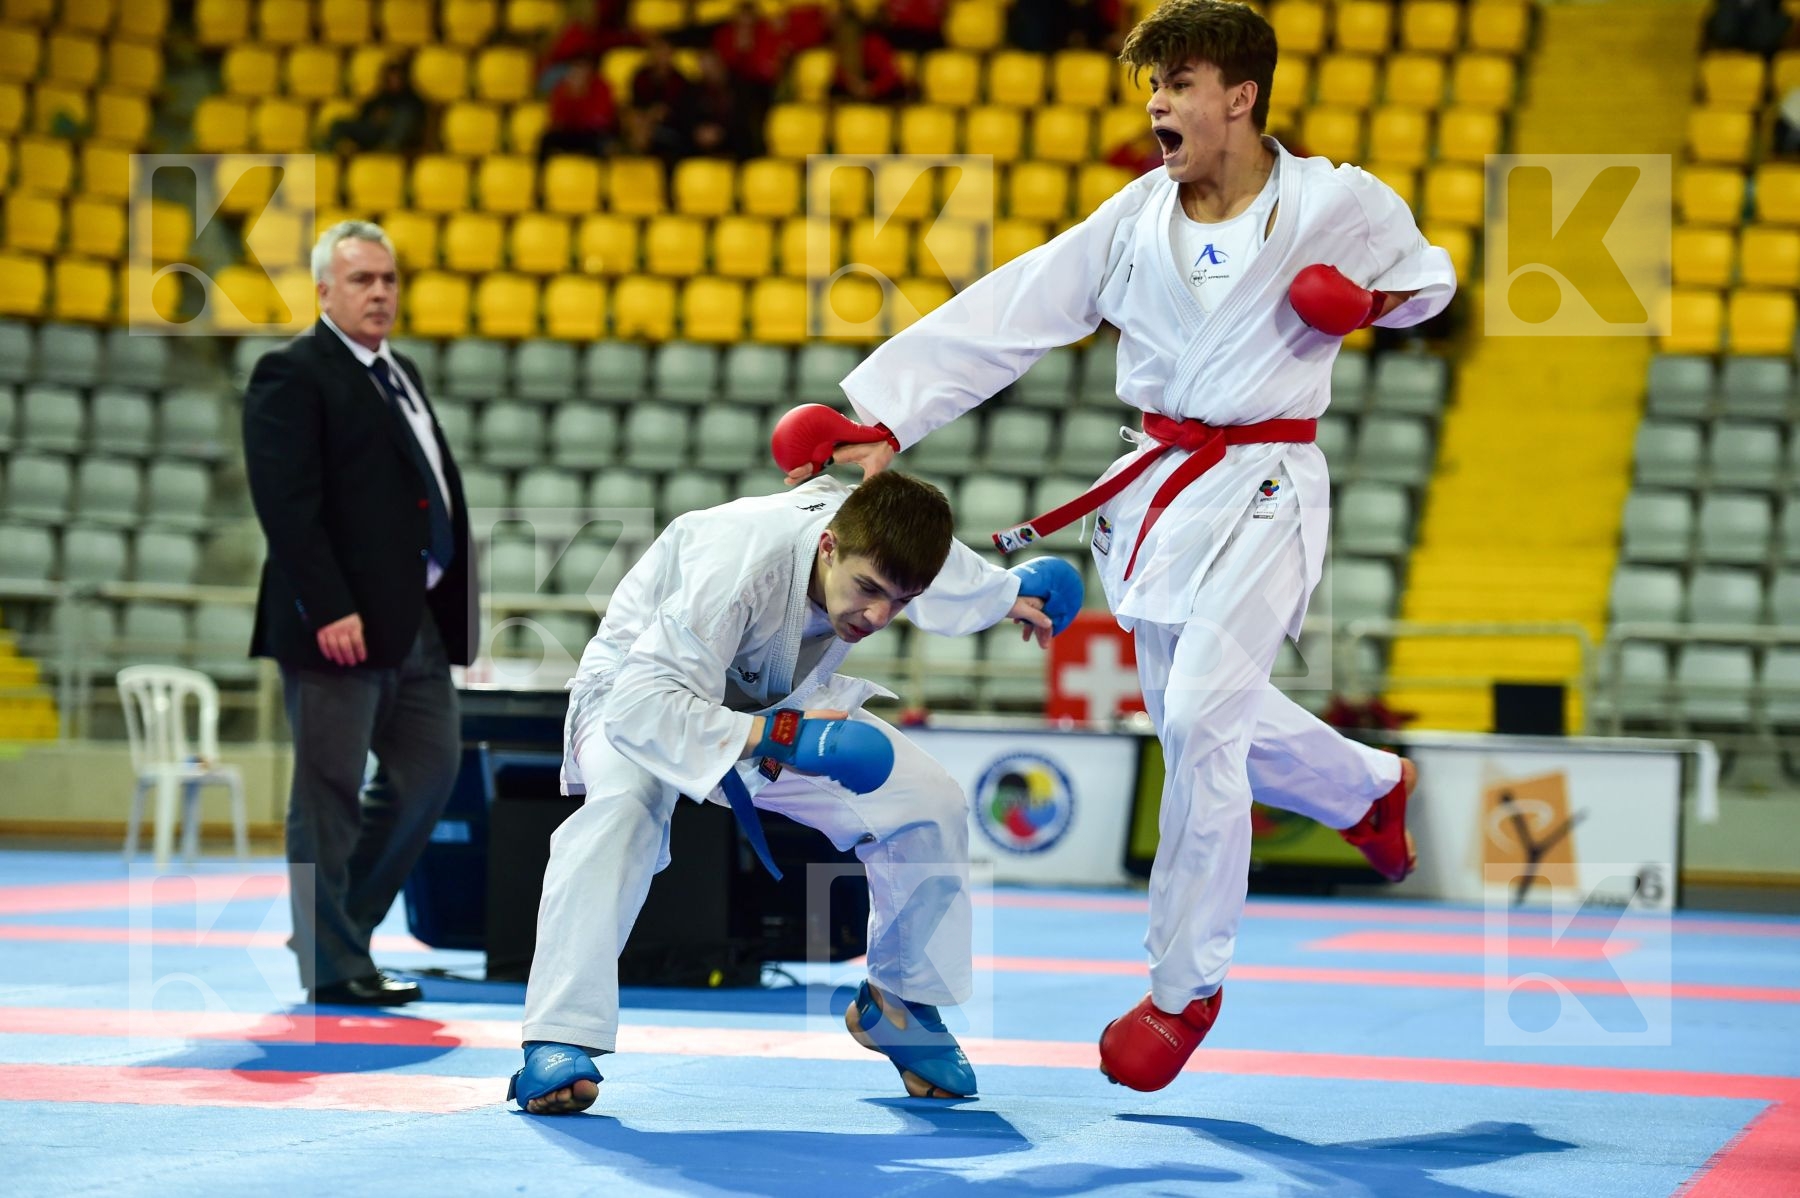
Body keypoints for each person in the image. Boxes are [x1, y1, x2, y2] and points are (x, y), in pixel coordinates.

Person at [783, 0, 1455, 1092]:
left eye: (1178, 84)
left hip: (1266, 486)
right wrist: (882, 415)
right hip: (1152, 495)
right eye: (1151, 84)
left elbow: (1436, 279)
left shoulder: (1334, 201)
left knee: (1197, 721)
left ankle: (1184, 989)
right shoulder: (1136, 218)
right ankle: (1364, 787)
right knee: (1206, 716)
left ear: (1240, 96)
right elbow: (1013, 311)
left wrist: (1371, 303)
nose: (1156, 105)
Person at [509, 470, 1082, 1114]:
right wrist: (784, 737)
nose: (876, 616)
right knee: (623, 811)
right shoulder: (738, 563)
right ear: (829, 545)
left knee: (931, 803)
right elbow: (644, 707)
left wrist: (1011, 593)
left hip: (774, 701)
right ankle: (558, 1035)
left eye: (899, 603)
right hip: (637, 692)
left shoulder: (880, 548)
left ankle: (901, 1002)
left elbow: (941, 571)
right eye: (867, 591)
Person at [243, 221, 477, 1007]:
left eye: (389, 279)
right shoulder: (292, 372)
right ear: (323, 291)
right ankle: (331, 959)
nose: (379, 292)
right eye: (361, 280)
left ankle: (336, 928)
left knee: (428, 773)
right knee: (328, 792)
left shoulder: (398, 370)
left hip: (414, 619)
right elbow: (287, 507)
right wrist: (327, 606)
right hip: (335, 624)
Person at [321, 60, 427, 154]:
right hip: (375, 132)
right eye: (390, 78)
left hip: (397, 136)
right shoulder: (380, 97)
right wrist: (374, 117)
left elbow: (416, 119)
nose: (393, 82)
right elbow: (363, 115)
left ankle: (387, 149)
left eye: (396, 78)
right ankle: (326, 154)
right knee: (338, 124)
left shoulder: (413, 99)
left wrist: (390, 116)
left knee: (404, 116)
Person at [537, 58, 618, 162]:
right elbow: (557, 118)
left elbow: (600, 120)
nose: (580, 73)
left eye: (584, 68)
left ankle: (600, 176)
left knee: (602, 145)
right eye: (577, 68)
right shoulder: (563, 88)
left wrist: (582, 96)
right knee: (547, 140)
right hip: (570, 131)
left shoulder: (603, 87)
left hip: (593, 134)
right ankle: (540, 175)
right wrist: (571, 95)